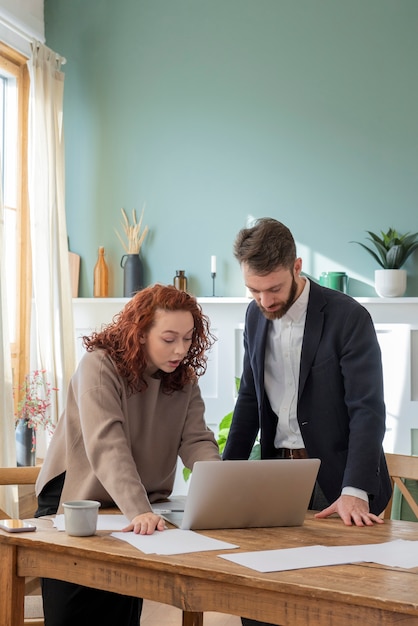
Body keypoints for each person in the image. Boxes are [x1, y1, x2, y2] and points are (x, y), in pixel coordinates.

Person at [223, 218, 392, 626]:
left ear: (297, 267)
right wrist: (224, 478)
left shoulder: (348, 317)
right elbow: (249, 398)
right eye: (254, 290)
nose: (264, 301)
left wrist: (355, 490)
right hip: (277, 472)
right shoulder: (253, 316)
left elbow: (367, 410)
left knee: (331, 603)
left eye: (274, 289)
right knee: (260, 598)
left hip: (336, 479)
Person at [35, 283, 221, 626]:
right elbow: (108, 445)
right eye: (169, 338)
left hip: (135, 508)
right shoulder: (99, 365)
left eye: (188, 337)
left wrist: (222, 489)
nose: (180, 348)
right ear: (140, 333)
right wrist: (140, 510)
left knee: (120, 616)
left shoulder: (184, 379)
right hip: (75, 500)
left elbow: (196, 440)